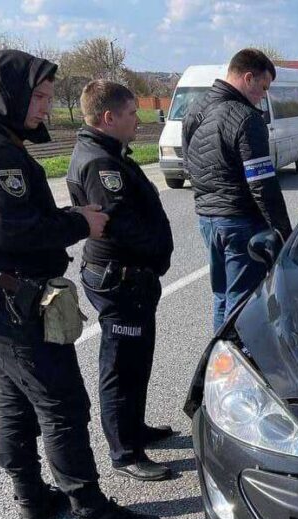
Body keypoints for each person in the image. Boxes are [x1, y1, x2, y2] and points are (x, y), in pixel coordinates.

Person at [0, 49, 160, 519]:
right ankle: (93, 513)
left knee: (16, 397)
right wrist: (79, 221)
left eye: (46, 96)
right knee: (61, 402)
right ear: (10, 94)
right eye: (37, 97)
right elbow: (13, 230)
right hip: (6, 301)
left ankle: (33, 499)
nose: (44, 107)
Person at [67, 80, 175, 482]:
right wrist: (157, 252)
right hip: (119, 278)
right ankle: (125, 452)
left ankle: (135, 428)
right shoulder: (101, 163)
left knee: (137, 358)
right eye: (132, 114)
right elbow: (120, 225)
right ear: (109, 118)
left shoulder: (108, 152)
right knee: (121, 365)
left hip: (132, 277)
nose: (139, 120)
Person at [183, 48, 292, 332]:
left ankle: (216, 357)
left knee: (222, 297)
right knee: (242, 305)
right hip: (240, 224)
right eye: (263, 88)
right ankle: (232, 365)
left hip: (208, 220)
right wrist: (283, 232)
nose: (263, 97)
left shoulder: (193, 111)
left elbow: (190, 165)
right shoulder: (246, 118)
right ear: (248, 78)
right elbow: (262, 184)